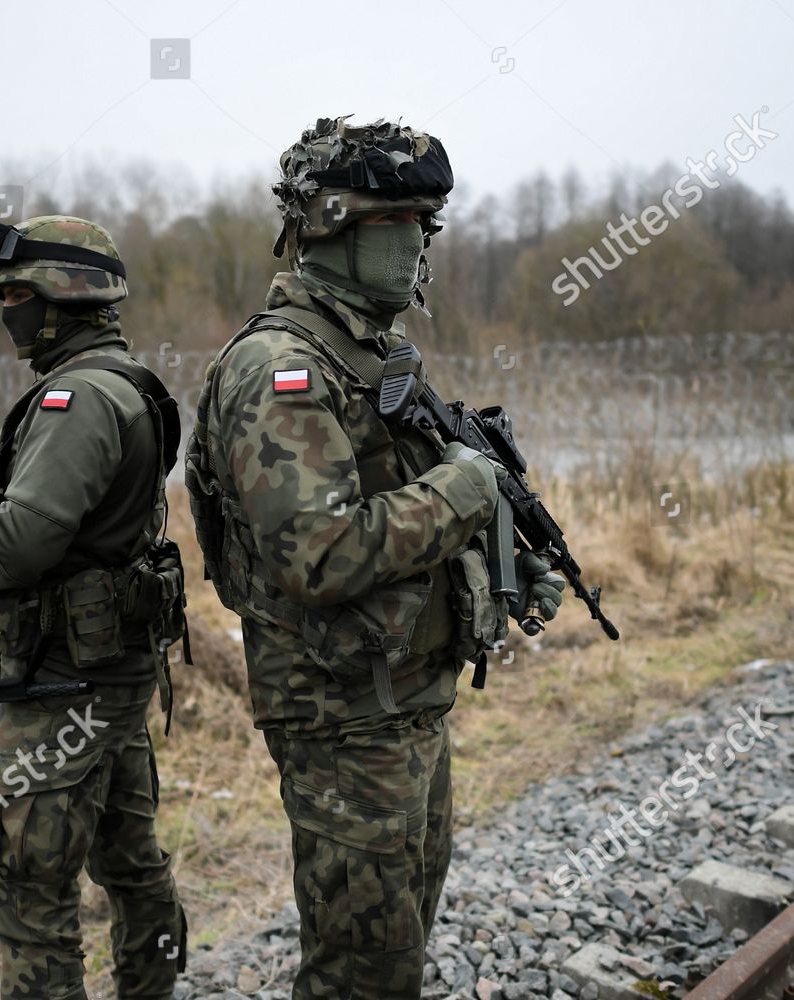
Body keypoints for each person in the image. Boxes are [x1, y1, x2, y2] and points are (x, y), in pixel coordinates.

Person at [183, 119, 566, 997]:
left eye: (431, 227)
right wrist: (469, 487)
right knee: (362, 971)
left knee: (398, 947)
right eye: (408, 225)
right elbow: (321, 552)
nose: (424, 250)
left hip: (403, 701)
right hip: (342, 716)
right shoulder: (281, 369)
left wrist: (504, 559)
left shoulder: (373, 352)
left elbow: (415, 496)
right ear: (334, 222)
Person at [0, 214, 188, 1000]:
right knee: (130, 858)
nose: (8, 308)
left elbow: (23, 541)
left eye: (17, 293)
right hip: (111, 674)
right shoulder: (130, 384)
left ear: (62, 297)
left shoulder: (76, 398)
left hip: (64, 683)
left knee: (29, 886)